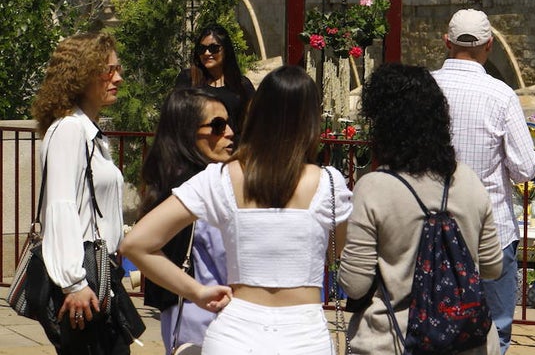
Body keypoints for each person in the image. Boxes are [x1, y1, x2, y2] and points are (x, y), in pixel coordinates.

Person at [122, 65, 353, 355]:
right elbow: (338, 250)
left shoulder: (221, 177)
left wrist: (196, 292)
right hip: (304, 335)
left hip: (235, 334)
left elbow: (136, 244)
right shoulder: (329, 182)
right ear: (311, 120)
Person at [341, 63, 504, 355]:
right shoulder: (468, 180)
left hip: (392, 340)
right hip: (469, 342)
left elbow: (354, 285)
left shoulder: (373, 188)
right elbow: (492, 267)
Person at [432, 10, 535, 352]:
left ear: (446, 42)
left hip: (432, 226)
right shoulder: (501, 95)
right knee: (496, 329)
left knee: (437, 323)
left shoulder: (425, 88)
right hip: (490, 230)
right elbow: (524, 168)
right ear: (489, 45)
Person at [30, 31, 142, 354]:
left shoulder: (91, 134)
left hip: (100, 280)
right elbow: (61, 207)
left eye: (118, 69)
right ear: (81, 74)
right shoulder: (68, 131)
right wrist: (74, 283)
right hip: (83, 286)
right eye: (108, 70)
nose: (118, 78)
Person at [139, 89, 235, 351]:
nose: (229, 132)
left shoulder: (169, 181)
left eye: (228, 122)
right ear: (187, 132)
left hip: (183, 315)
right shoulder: (203, 189)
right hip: (211, 318)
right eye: (217, 126)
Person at [174, 24, 254, 141]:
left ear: (225, 50)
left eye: (213, 48)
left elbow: (254, 120)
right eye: (202, 49)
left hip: (230, 151)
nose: (207, 53)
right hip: (198, 151)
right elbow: (176, 118)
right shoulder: (188, 79)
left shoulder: (241, 84)